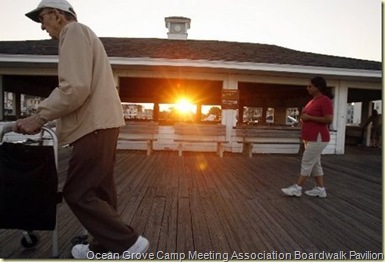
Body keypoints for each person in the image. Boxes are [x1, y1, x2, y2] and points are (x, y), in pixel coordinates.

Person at [18, 0, 149, 258]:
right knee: (100, 192)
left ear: (57, 15)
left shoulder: (73, 32)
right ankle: (102, 248)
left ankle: (128, 243)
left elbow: (75, 88)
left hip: (93, 127)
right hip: (103, 124)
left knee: (78, 192)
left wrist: (40, 117)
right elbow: (80, 90)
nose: (42, 27)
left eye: (42, 19)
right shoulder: (82, 34)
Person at [281, 76, 334, 198]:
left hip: (319, 137)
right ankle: (320, 189)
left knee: (306, 161)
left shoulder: (324, 100)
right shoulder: (312, 101)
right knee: (315, 164)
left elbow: (328, 119)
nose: (307, 88)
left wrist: (309, 118)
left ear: (318, 87)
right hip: (309, 137)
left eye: (310, 86)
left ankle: (297, 187)